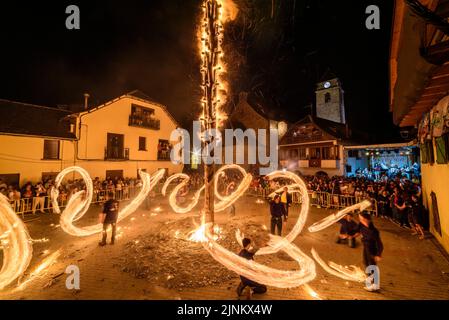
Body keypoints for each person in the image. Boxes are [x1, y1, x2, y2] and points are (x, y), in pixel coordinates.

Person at [355, 212, 383, 292]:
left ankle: (375, 285)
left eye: (362, 219)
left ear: (367, 220)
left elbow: (379, 243)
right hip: (365, 247)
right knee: (366, 263)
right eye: (360, 218)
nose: (361, 220)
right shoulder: (361, 225)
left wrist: (378, 254)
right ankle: (371, 280)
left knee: (372, 266)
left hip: (372, 249)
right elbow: (354, 230)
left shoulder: (374, 231)